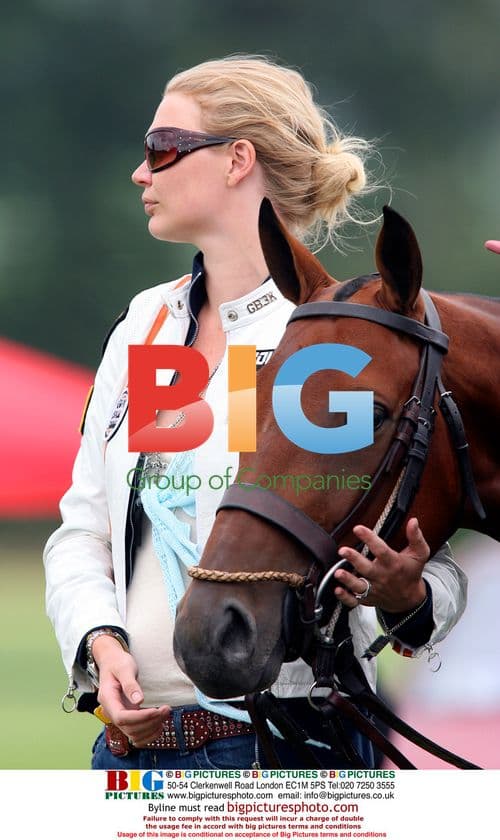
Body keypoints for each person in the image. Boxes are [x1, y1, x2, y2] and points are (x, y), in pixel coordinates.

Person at [43, 54, 466, 770]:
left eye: (161, 149)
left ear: (238, 159)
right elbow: (86, 529)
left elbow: (438, 564)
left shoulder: (339, 336)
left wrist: (407, 594)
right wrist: (98, 640)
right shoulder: (147, 324)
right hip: (131, 758)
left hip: (292, 752)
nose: (141, 173)